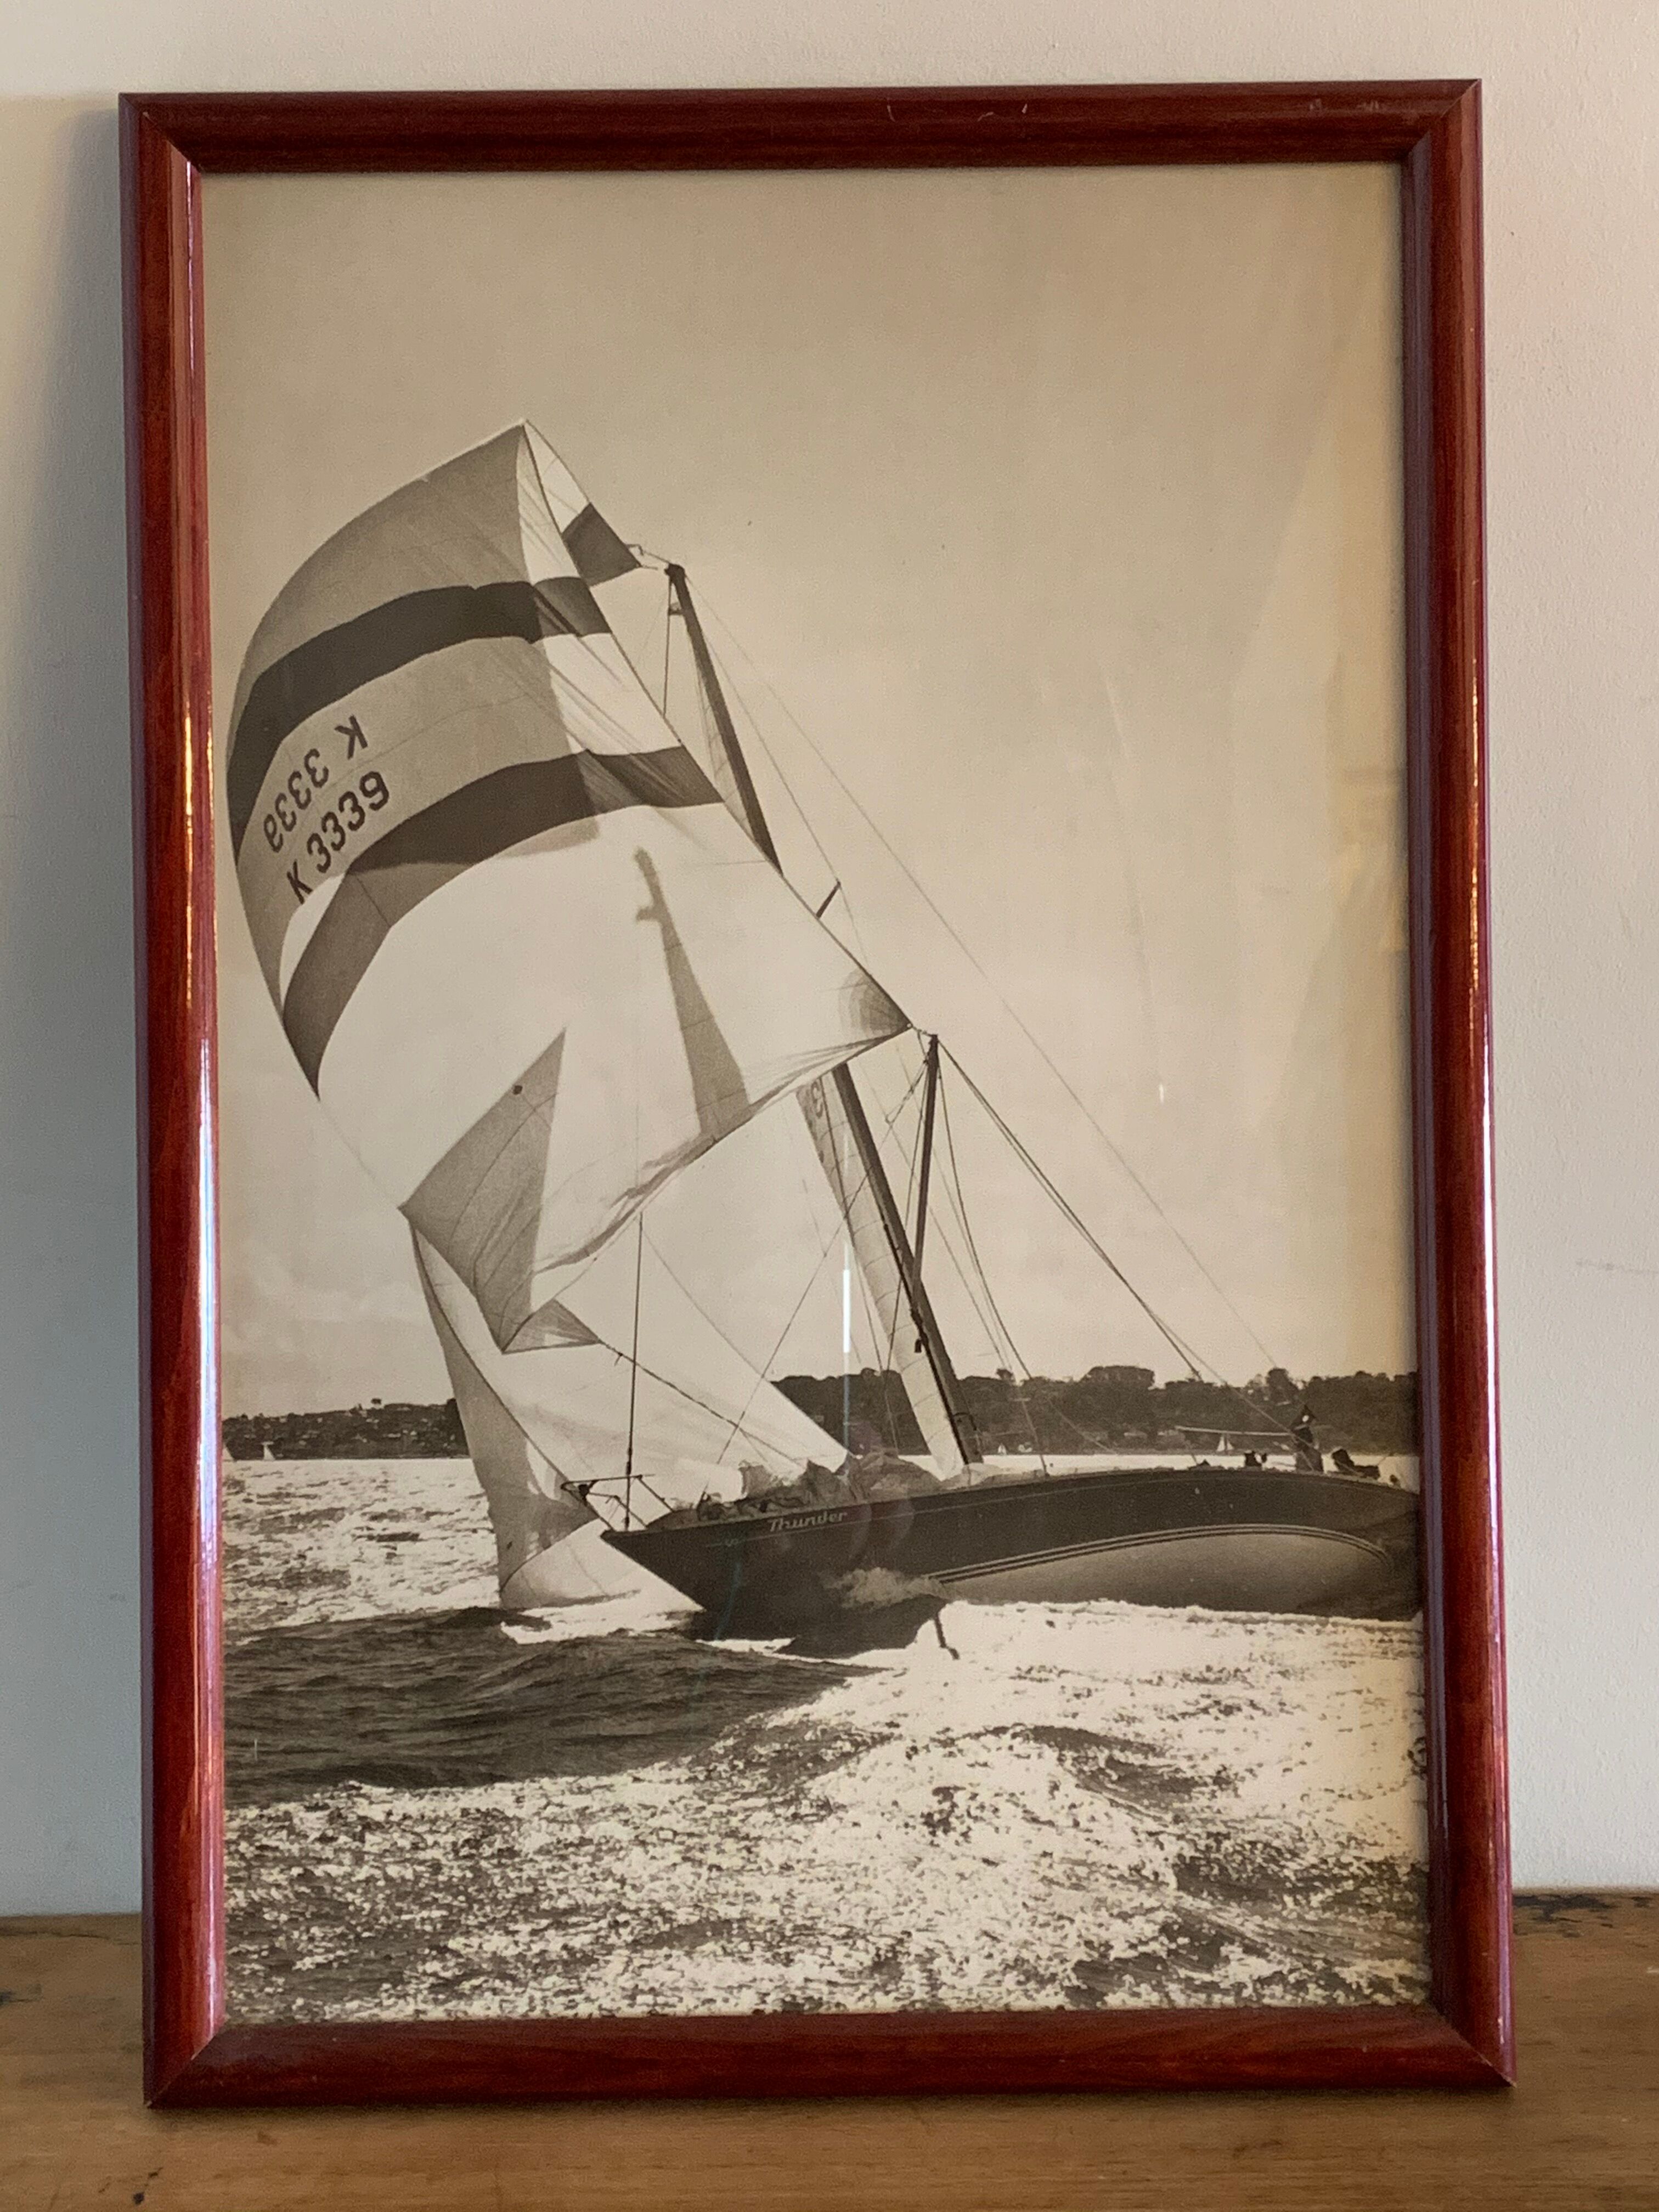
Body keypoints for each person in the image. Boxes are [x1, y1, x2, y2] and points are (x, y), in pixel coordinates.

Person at [1293, 1404, 1323, 1474]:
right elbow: (1294, 1428)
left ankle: (1312, 1469)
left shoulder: (1309, 1427)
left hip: (1307, 1442)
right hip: (1303, 1442)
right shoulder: (1301, 1423)